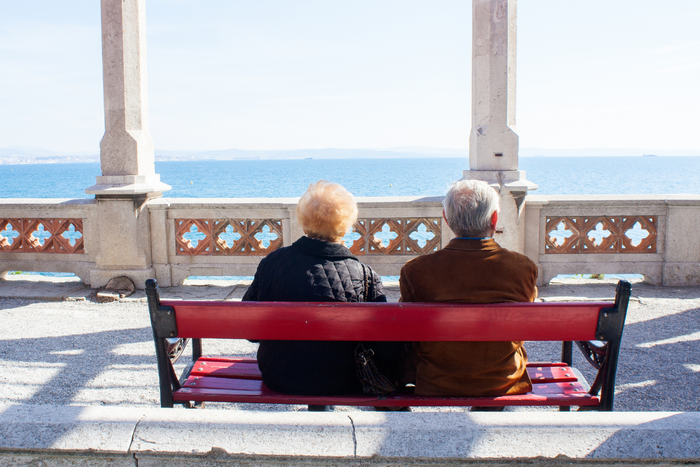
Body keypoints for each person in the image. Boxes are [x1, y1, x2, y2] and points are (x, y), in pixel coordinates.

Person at [243, 180, 394, 400]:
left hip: (278, 376)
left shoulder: (272, 263)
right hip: (344, 379)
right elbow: (383, 346)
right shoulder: (364, 275)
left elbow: (251, 331)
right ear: (345, 227)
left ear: (304, 223)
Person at [399, 179, 538, 398]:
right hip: (504, 380)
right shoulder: (523, 268)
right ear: (494, 219)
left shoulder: (416, 271)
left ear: (447, 219)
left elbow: (406, 330)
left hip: (436, 380)